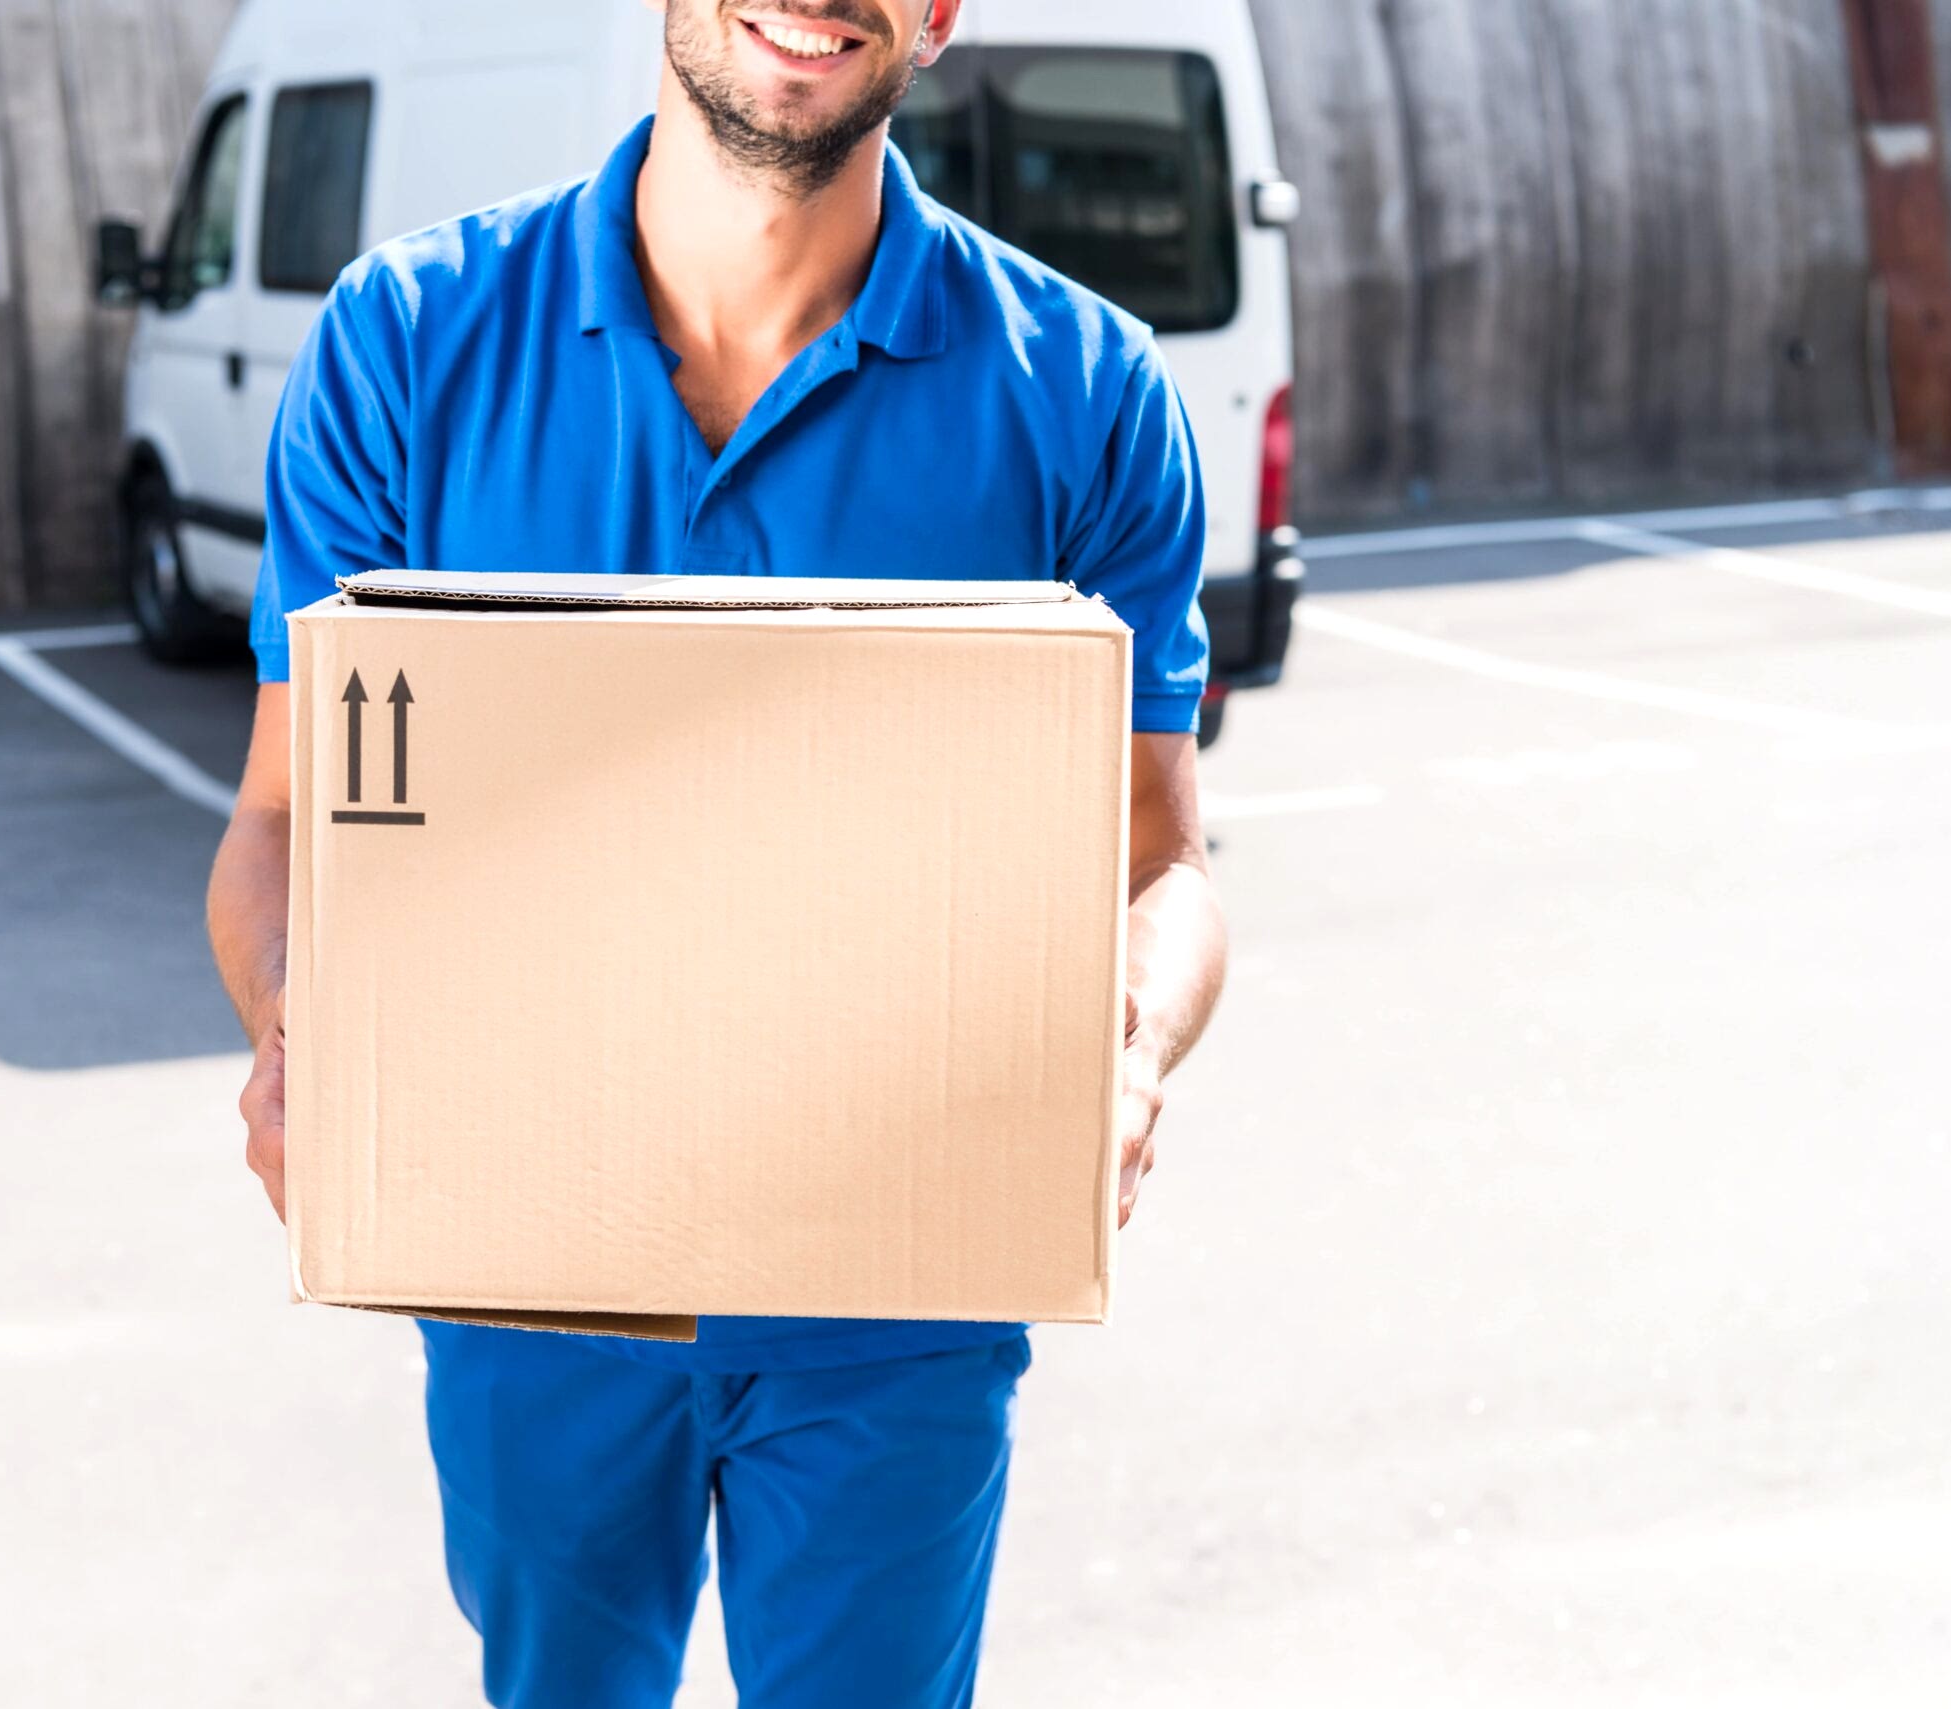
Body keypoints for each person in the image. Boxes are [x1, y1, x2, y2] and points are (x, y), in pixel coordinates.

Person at [205, 2, 1229, 1702]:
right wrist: (299, 1029)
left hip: (902, 1281)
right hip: (526, 1272)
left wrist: (1126, 1049)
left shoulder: (1087, 393)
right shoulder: (411, 340)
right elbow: (278, 824)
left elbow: (1163, 864)